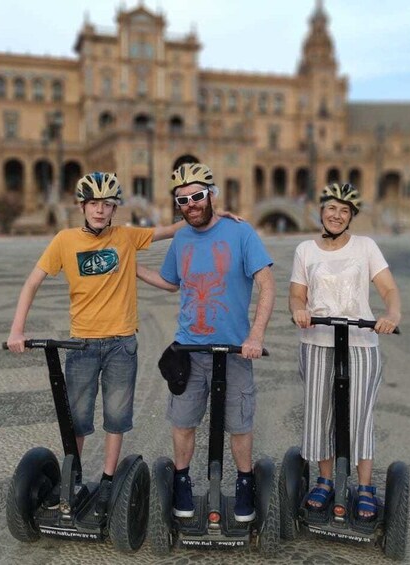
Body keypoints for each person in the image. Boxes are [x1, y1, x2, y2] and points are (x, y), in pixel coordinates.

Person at [6, 172, 230, 517]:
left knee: (116, 416)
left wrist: (216, 216)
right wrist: (16, 330)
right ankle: (74, 480)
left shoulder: (126, 237)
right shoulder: (64, 241)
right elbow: (32, 283)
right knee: (76, 419)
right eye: (93, 204)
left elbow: (173, 229)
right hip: (81, 344)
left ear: (114, 209)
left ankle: (109, 481)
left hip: (122, 344)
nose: (99, 211)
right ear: (82, 206)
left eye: (107, 205)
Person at [137, 163, 275, 522]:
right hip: (188, 350)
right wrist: (133, 269)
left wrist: (255, 335)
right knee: (182, 421)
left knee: (240, 423)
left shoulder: (240, 233)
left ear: (212, 195)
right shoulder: (181, 236)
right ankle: (182, 479)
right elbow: (171, 282)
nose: (191, 203)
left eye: (197, 196)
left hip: (234, 351)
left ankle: (244, 481)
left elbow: (267, 284)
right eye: (183, 199)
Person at [288, 182, 401, 521]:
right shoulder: (305, 250)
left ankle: (364, 485)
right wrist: (299, 310)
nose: (337, 215)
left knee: (359, 414)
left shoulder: (366, 247)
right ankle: (324, 478)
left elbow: (388, 288)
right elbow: (296, 294)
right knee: (320, 413)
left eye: (344, 211)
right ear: (321, 210)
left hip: (361, 343)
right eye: (331, 208)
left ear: (351, 216)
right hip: (317, 342)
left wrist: (391, 315)